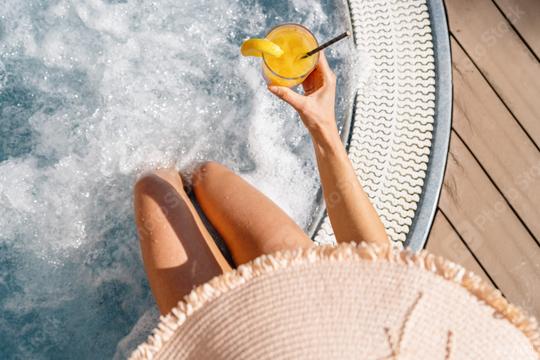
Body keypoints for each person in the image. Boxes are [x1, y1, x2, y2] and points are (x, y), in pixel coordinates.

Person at [133, 51, 390, 316]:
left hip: (231, 341)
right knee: (207, 176)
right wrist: (323, 126)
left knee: (152, 187)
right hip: (313, 295)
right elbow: (380, 270)